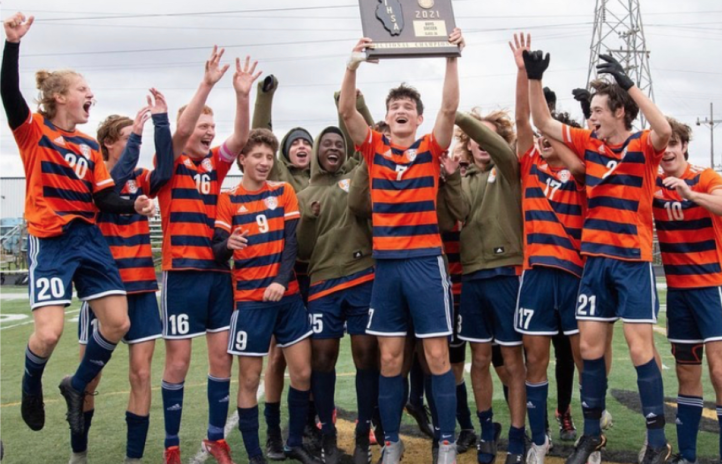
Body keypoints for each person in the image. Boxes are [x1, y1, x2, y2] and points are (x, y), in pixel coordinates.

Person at [1, 11, 157, 439]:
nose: (91, 94)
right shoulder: (33, 132)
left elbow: (102, 198)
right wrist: (12, 43)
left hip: (89, 239)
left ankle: (76, 383)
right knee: (48, 334)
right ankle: (30, 384)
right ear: (59, 97)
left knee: (118, 323)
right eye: (83, 89)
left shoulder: (89, 146)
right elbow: (9, 93)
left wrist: (134, 204)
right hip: (51, 240)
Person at [525, 48, 672, 464]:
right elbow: (543, 122)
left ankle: (657, 441)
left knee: (640, 349)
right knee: (589, 349)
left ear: (620, 112)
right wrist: (534, 79)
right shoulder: (589, 143)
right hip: (594, 262)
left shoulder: (643, 146)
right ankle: (591, 435)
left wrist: (628, 84)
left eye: (597, 111)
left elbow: (662, 128)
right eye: (589, 112)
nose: (590, 118)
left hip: (631, 262)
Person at [338, 28, 464, 464]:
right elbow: (347, 109)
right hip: (388, 266)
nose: (401, 110)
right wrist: (352, 64)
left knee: (436, 356)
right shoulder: (373, 148)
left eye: (409, 106)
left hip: (426, 264)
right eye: (395, 107)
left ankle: (445, 441)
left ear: (419, 118)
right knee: (390, 359)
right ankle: (391, 441)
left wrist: (451, 55)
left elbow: (450, 107)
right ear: (387, 118)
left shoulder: (431, 148)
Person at [156, 50, 261, 464]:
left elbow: (240, 137)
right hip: (182, 274)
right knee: (178, 362)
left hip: (218, 274)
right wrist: (207, 84)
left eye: (211, 128)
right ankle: (171, 443)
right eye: (203, 126)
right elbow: (181, 129)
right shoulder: (167, 161)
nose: (209, 133)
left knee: (221, 359)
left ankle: (216, 438)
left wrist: (242, 95)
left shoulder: (214, 167)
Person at [71, 91, 175, 464]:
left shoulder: (141, 179)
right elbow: (111, 185)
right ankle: (79, 454)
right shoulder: (94, 178)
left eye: (136, 136)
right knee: (89, 381)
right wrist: (138, 137)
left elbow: (166, 170)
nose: (136, 143)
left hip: (143, 288)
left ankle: (133, 459)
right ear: (108, 143)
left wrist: (161, 121)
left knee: (141, 376)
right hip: (104, 289)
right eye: (129, 137)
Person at [213, 128, 318, 464]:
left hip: (287, 298)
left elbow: (291, 243)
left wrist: (281, 281)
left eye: (269, 157)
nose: (264, 162)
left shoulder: (283, 191)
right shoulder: (228, 200)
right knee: (249, 379)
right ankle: (256, 454)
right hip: (250, 303)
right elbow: (216, 249)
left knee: (302, 373)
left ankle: (293, 442)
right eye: (257, 156)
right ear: (242, 159)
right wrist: (227, 245)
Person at [508, 33, 586, 464]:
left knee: (585, 359)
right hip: (535, 274)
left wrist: (563, 143)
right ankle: (539, 439)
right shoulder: (529, 164)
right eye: (540, 134)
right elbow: (523, 120)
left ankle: (591, 439)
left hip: (575, 276)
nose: (541, 137)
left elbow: (582, 165)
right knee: (534, 361)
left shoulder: (580, 169)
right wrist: (524, 74)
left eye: (550, 132)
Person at [296, 126, 378, 464]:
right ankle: (327, 434)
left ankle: (363, 433)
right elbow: (302, 252)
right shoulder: (304, 194)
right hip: (323, 282)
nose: (333, 148)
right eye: (326, 144)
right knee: (322, 358)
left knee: (366, 356)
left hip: (363, 276)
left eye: (339, 144)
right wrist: (308, 220)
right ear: (317, 150)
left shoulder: (356, 180)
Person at [652, 118, 722, 464]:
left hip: (712, 287)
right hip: (678, 293)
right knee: (686, 373)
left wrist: (690, 194)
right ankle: (688, 456)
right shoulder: (651, 181)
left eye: (672, 144)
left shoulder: (705, 177)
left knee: (719, 371)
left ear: (683, 146)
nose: (667, 151)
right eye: (662, 144)